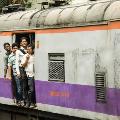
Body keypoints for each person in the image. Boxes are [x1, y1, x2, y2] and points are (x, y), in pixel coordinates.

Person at [15, 37, 28, 106]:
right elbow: (16, 62)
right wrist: (18, 72)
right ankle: (22, 100)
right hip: (21, 69)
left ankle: (25, 99)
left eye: (25, 41)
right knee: (22, 85)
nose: (25, 42)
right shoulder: (18, 51)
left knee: (26, 85)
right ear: (20, 43)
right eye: (23, 41)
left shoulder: (28, 50)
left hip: (27, 69)